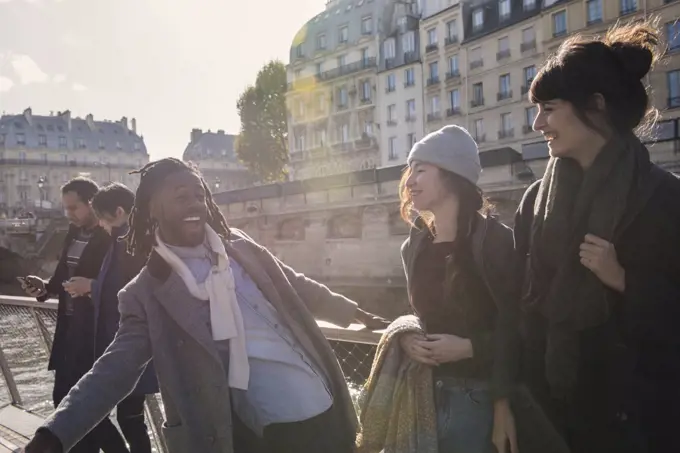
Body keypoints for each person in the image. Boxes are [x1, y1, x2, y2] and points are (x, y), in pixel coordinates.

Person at [23, 158, 387, 453]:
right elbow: (113, 370)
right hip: (266, 429)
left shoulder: (239, 246)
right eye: (181, 196)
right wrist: (52, 436)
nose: (195, 203)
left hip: (323, 400)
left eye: (199, 194)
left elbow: (292, 284)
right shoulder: (147, 292)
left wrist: (353, 313)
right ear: (152, 208)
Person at [515, 21, 680, 453]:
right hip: (552, 417)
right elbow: (521, 308)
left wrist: (624, 280)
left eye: (548, 108)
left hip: (639, 423)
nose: (537, 124)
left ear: (596, 105)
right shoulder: (534, 201)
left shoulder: (666, 198)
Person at [396, 125, 520, 453]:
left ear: (452, 175)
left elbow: (521, 327)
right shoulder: (414, 246)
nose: (409, 182)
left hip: (478, 400)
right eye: (410, 171)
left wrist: (471, 349)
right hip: (422, 396)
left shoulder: (495, 241)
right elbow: (419, 316)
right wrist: (407, 336)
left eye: (420, 170)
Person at [20, 177, 129, 453]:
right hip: (68, 329)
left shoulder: (110, 236)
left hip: (93, 331)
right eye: (66, 208)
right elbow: (61, 279)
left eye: (74, 208)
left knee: (85, 405)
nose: (68, 214)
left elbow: (121, 283)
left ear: (91, 203)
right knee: (64, 400)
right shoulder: (73, 232)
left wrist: (91, 287)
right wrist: (43, 287)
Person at [64, 183, 158, 453]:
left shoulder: (128, 241)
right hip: (131, 346)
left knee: (128, 418)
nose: (103, 227)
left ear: (118, 212)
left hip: (129, 347)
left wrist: (90, 287)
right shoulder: (136, 237)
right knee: (130, 418)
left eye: (104, 220)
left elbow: (129, 288)